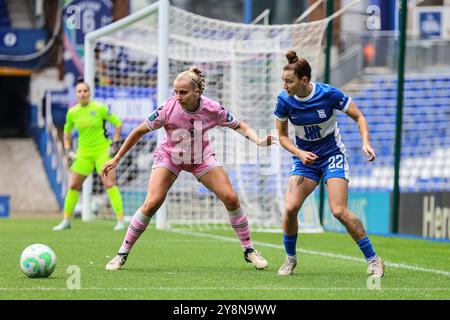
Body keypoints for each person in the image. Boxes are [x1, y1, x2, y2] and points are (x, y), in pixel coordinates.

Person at [102, 66, 276, 271]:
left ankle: (249, 250)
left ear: (197, 92)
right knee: (152, 203)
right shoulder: (167, 108)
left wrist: (258, 140)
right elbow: (138, 131)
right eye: (175, 92)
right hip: (170, 157)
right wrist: (117, 158)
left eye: (183, 92)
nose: (178, 96)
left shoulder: (212, 108)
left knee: (231, 198)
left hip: (200, 158)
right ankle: (122, 253)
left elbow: (239, 125)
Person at [274, 51, 384, 278]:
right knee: (290, 208)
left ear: (304, 80)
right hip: (305, 159)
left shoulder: (328, 94)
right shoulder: (284, 100)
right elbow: (282, 135)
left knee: (338, 210)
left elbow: (359, 117)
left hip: (332, 155)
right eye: (283, 80)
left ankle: (373, 259)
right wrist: (299, 152)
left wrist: (366, 142)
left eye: (289, 81)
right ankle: (290, 259)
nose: (284, 85)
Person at [53, 79, 125, 231]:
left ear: (89, 93)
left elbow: (118, 123)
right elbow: (66, 132)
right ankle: (66, 220)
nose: (82, 93)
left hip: (102, 152)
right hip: (83, 153)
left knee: (109, 184)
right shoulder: (72, 112)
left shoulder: (100, 108)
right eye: (79, 91)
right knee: (73, 185)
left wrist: (115, 143)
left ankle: (120, 220)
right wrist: (67, 148)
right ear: (76, 94)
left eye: (85, 91)